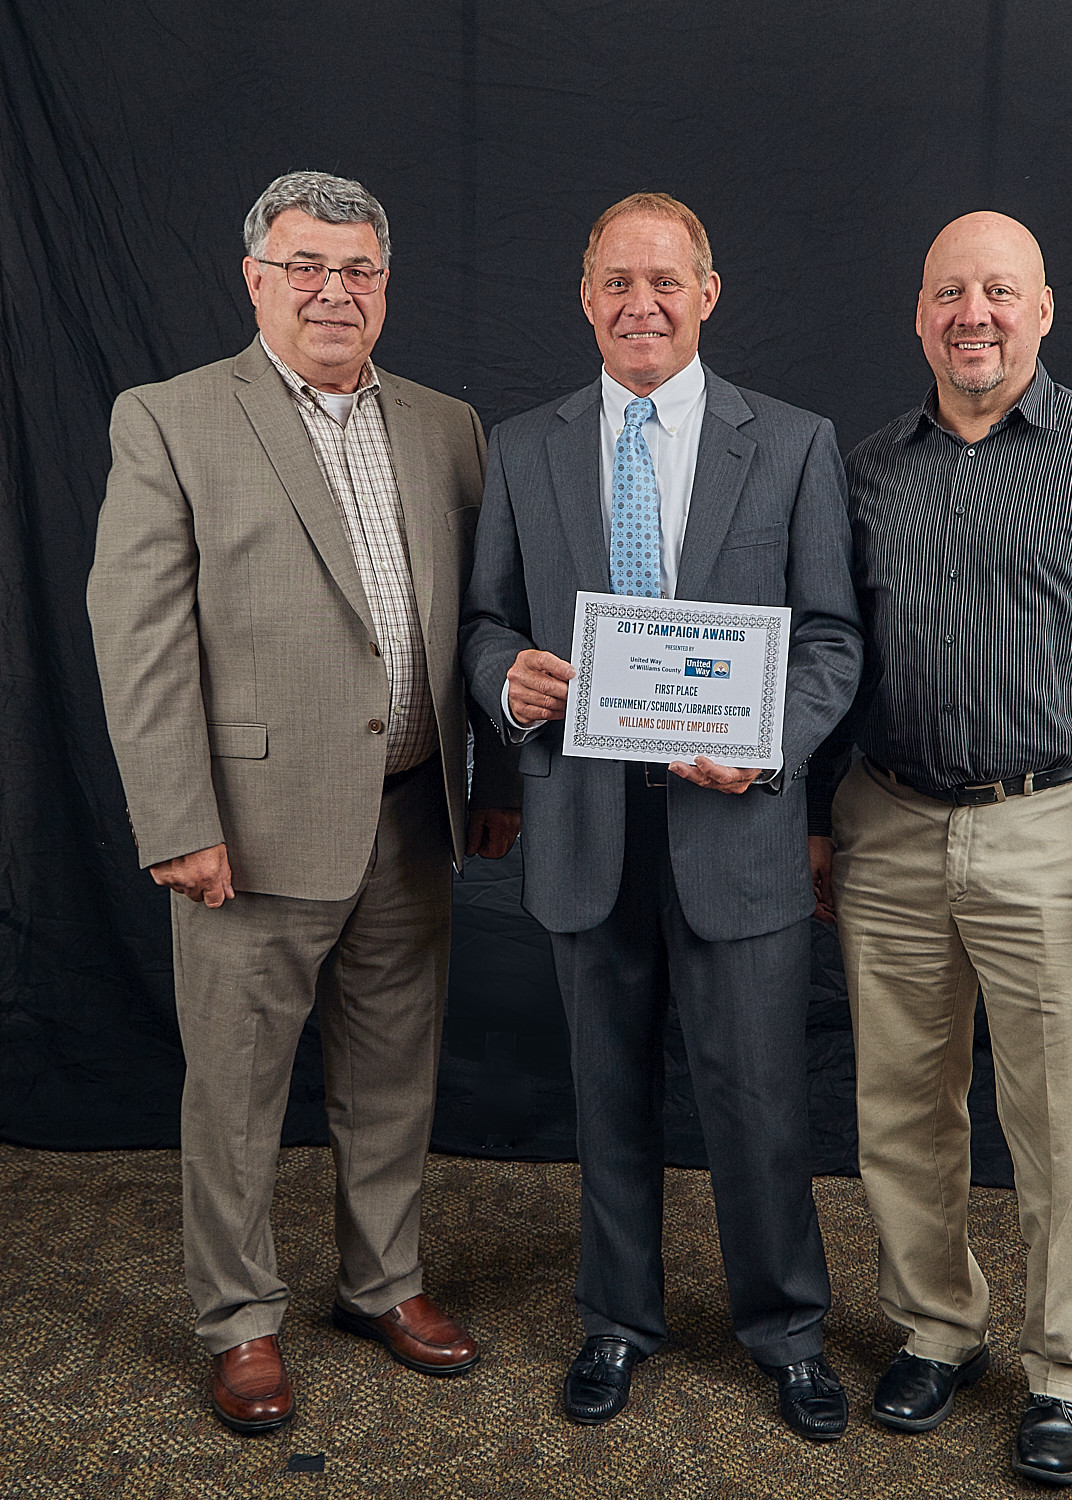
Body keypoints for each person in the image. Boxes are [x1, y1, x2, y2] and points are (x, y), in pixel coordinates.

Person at [86, 170, 520, 1434]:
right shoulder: (168, 419)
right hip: (247, 821)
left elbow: (479, 625)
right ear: (255, 279)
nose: (335, 289)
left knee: (393, 1074)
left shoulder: (448, 425)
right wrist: (176, 820)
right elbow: (141, 638)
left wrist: (481, 782)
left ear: (386, 286)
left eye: (360, 270)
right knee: (235, 1088)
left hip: (410, 809)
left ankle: (381, 1286)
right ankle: (239, 1321)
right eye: (305, 265)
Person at [809, 211, 1072, 1486]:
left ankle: (1065, 1369)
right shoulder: (866, 469)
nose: (971, 314)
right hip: (884, 822)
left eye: (998, 291)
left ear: (1043, 310)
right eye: (947, 292)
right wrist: (826, 817)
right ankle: (936, 1332)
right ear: (916, 314)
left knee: (1057, 1126)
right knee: (898, 1111)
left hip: (1055, 826)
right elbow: (831, 656)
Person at [460, 193, 863, 1439]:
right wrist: (501, 680)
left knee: (755, 1100)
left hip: (733, 831)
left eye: (664, 281)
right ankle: (616, 1321)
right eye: (615, 283)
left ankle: (784, 1330)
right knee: (606, 1091)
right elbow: (482, 624)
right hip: (584, 825)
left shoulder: (791, 444)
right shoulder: (526, 447)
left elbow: (833, 643)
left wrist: (766, 747)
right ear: (584, 301)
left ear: (707, 291)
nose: (641, 303)